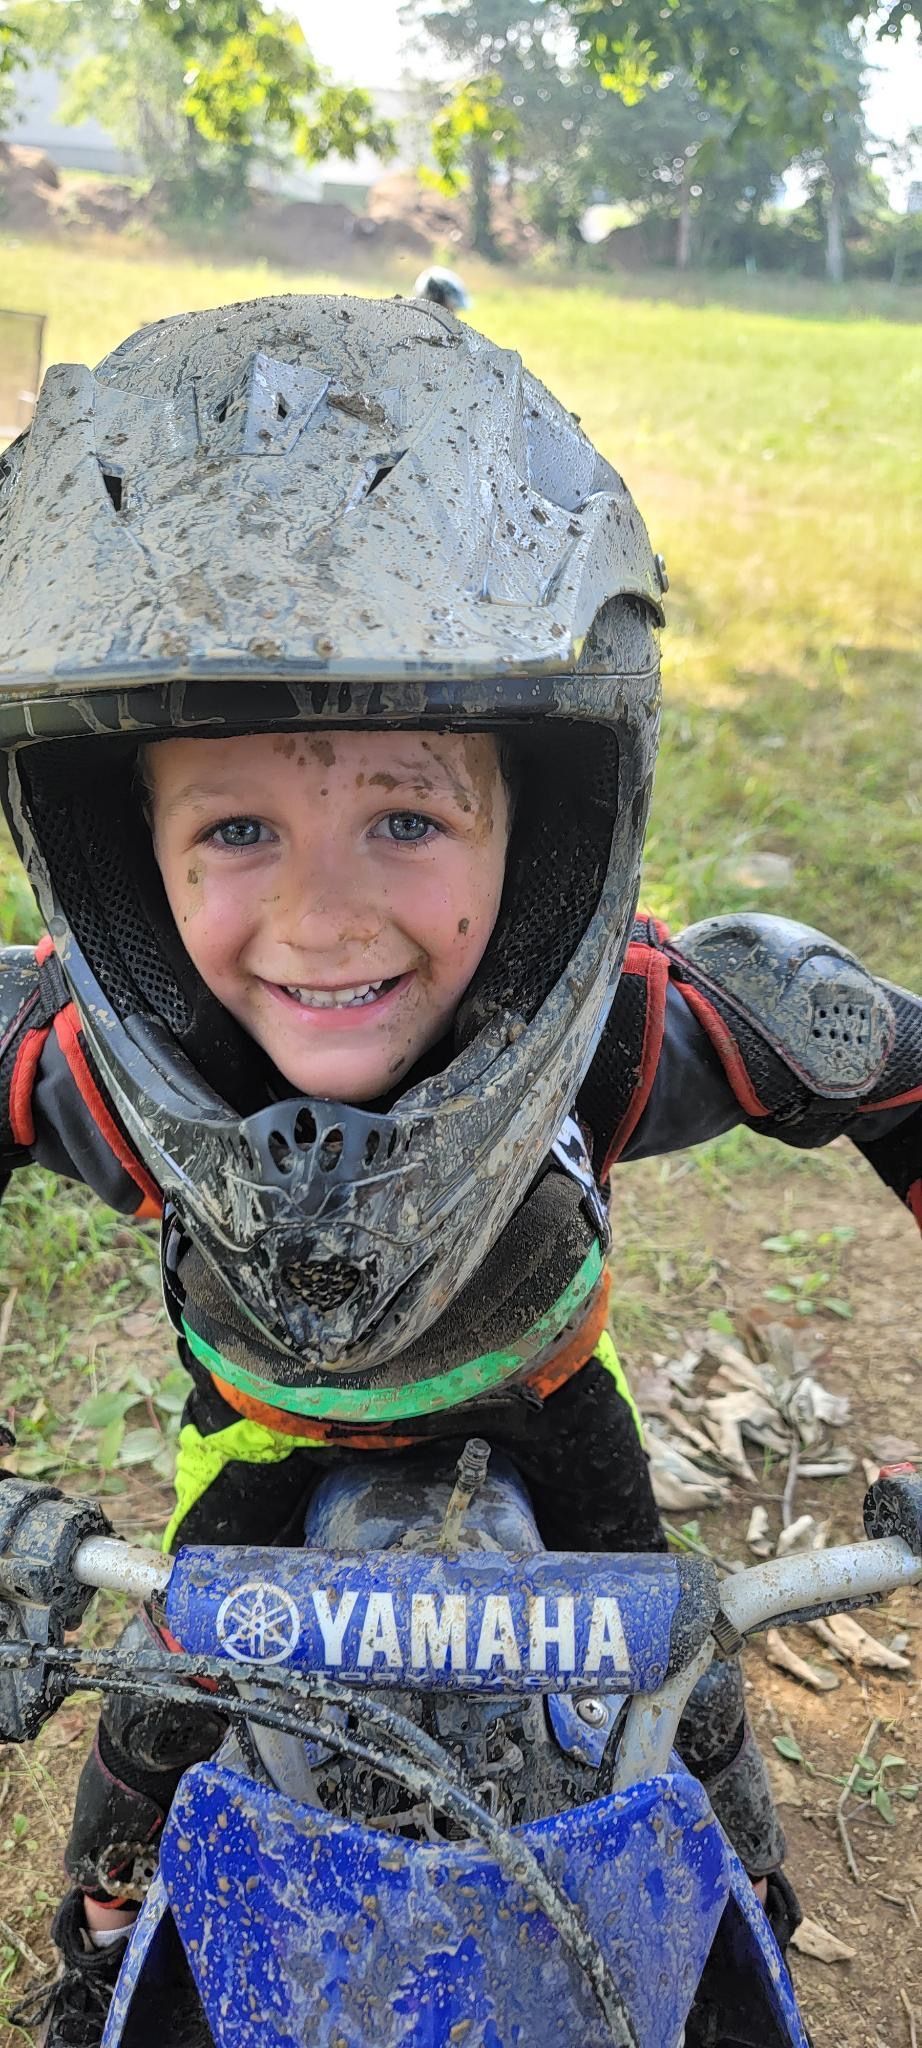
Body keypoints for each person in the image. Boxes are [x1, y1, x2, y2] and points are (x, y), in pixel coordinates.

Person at [0, 292, 919, 2047]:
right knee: (144, 1742)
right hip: (264, 1441)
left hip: (552, 1409)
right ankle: (108, 1935)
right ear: (122, 857)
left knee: (690, 1710)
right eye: (237, 827)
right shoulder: (85, 1055)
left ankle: (749, 1930)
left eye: (406, 816)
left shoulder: (632, 1019)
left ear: (543, 826)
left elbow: (895, 1064)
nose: (327, 914)